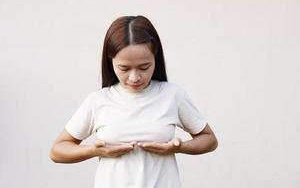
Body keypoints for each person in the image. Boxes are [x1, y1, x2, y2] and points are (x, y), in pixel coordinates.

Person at [49, 15, 218, 188]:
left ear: (155, 58)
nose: (135, 77)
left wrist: (180, 147)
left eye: (144, 67)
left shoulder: (172, 95)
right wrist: (94, 150)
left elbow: (209, 140)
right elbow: (57, 151)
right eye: (124, 68)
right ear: (111, 62)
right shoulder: (98, 101)